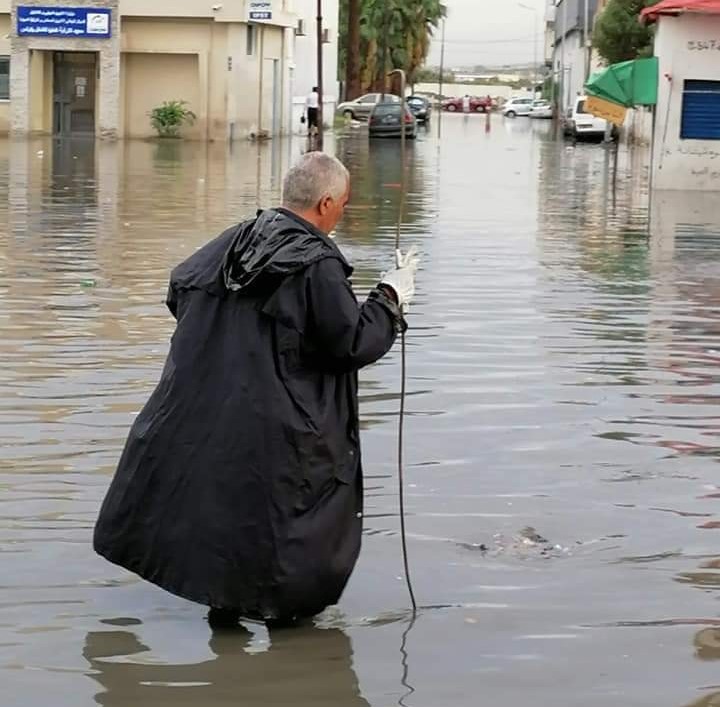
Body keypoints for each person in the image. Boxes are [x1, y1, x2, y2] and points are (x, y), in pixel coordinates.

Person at [93, 152, 419, 628]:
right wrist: (389, 297)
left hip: (222, 413)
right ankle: (285, 630)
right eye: (343, 204)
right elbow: (349, 343)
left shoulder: (235, 240)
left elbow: (180, 288)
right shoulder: (317, 262)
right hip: (285, 427)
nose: (342, 214)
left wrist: (233, 345)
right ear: (326, 202)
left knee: (234, 508)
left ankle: (224, 621)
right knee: (290, 521)